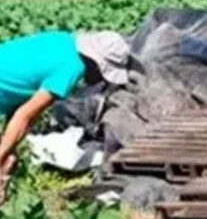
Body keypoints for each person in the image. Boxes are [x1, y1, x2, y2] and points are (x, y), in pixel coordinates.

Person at [0, 30, 132, 202]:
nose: (100, 78)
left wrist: (8, 150)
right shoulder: (72, 67)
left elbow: (19, 88)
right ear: (96, 62)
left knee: (8, 158)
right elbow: (26, 115)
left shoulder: (63, 40)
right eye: (103, 72)